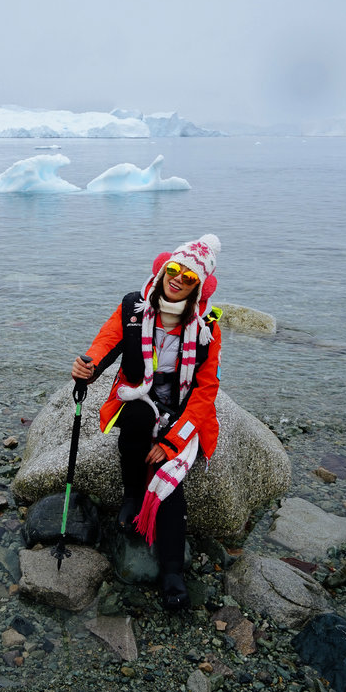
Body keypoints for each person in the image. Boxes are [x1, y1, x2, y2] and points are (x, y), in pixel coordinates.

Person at [71, 234, 222, 611]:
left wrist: (173, 441)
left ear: (199, 287)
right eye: (174, 270)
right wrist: (86, 368)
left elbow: (206, 391)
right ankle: (133, 495)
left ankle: (172, 571)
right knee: (136, 417)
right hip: (141, 396)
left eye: (189, 278)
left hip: (182, 408)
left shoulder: (206, 329)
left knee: (168, 476)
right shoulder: (133, 308)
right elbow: (106, 342)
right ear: (162, 268)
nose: (178, 280)